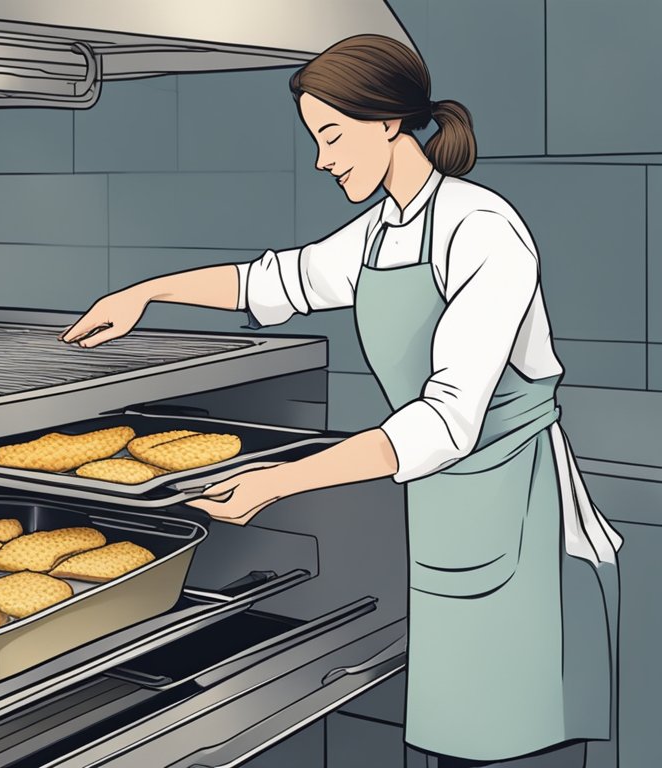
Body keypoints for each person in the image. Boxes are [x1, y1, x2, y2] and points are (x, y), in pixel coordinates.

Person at [60, 34, 623, 768]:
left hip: (517, 508)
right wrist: (145, 293)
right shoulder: (383, 230)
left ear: (389, 121)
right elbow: (278, 282)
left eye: (331, 135)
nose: (323, 159)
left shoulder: (483, 231)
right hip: (447, 504)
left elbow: (448, 421)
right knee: (463, 731)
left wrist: (279, 480)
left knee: (521, 738)